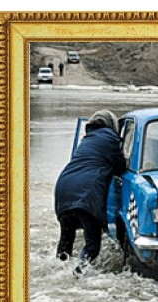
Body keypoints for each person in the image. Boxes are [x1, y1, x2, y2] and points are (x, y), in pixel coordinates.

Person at [54, 109, 126, 277]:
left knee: (66, 240)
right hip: (86, 193)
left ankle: (60, 270)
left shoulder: (86, 140)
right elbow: (121, 165)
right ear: (112, 125)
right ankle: (79, 272)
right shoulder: (110, 138)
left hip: (63, 188)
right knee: (92, 246)